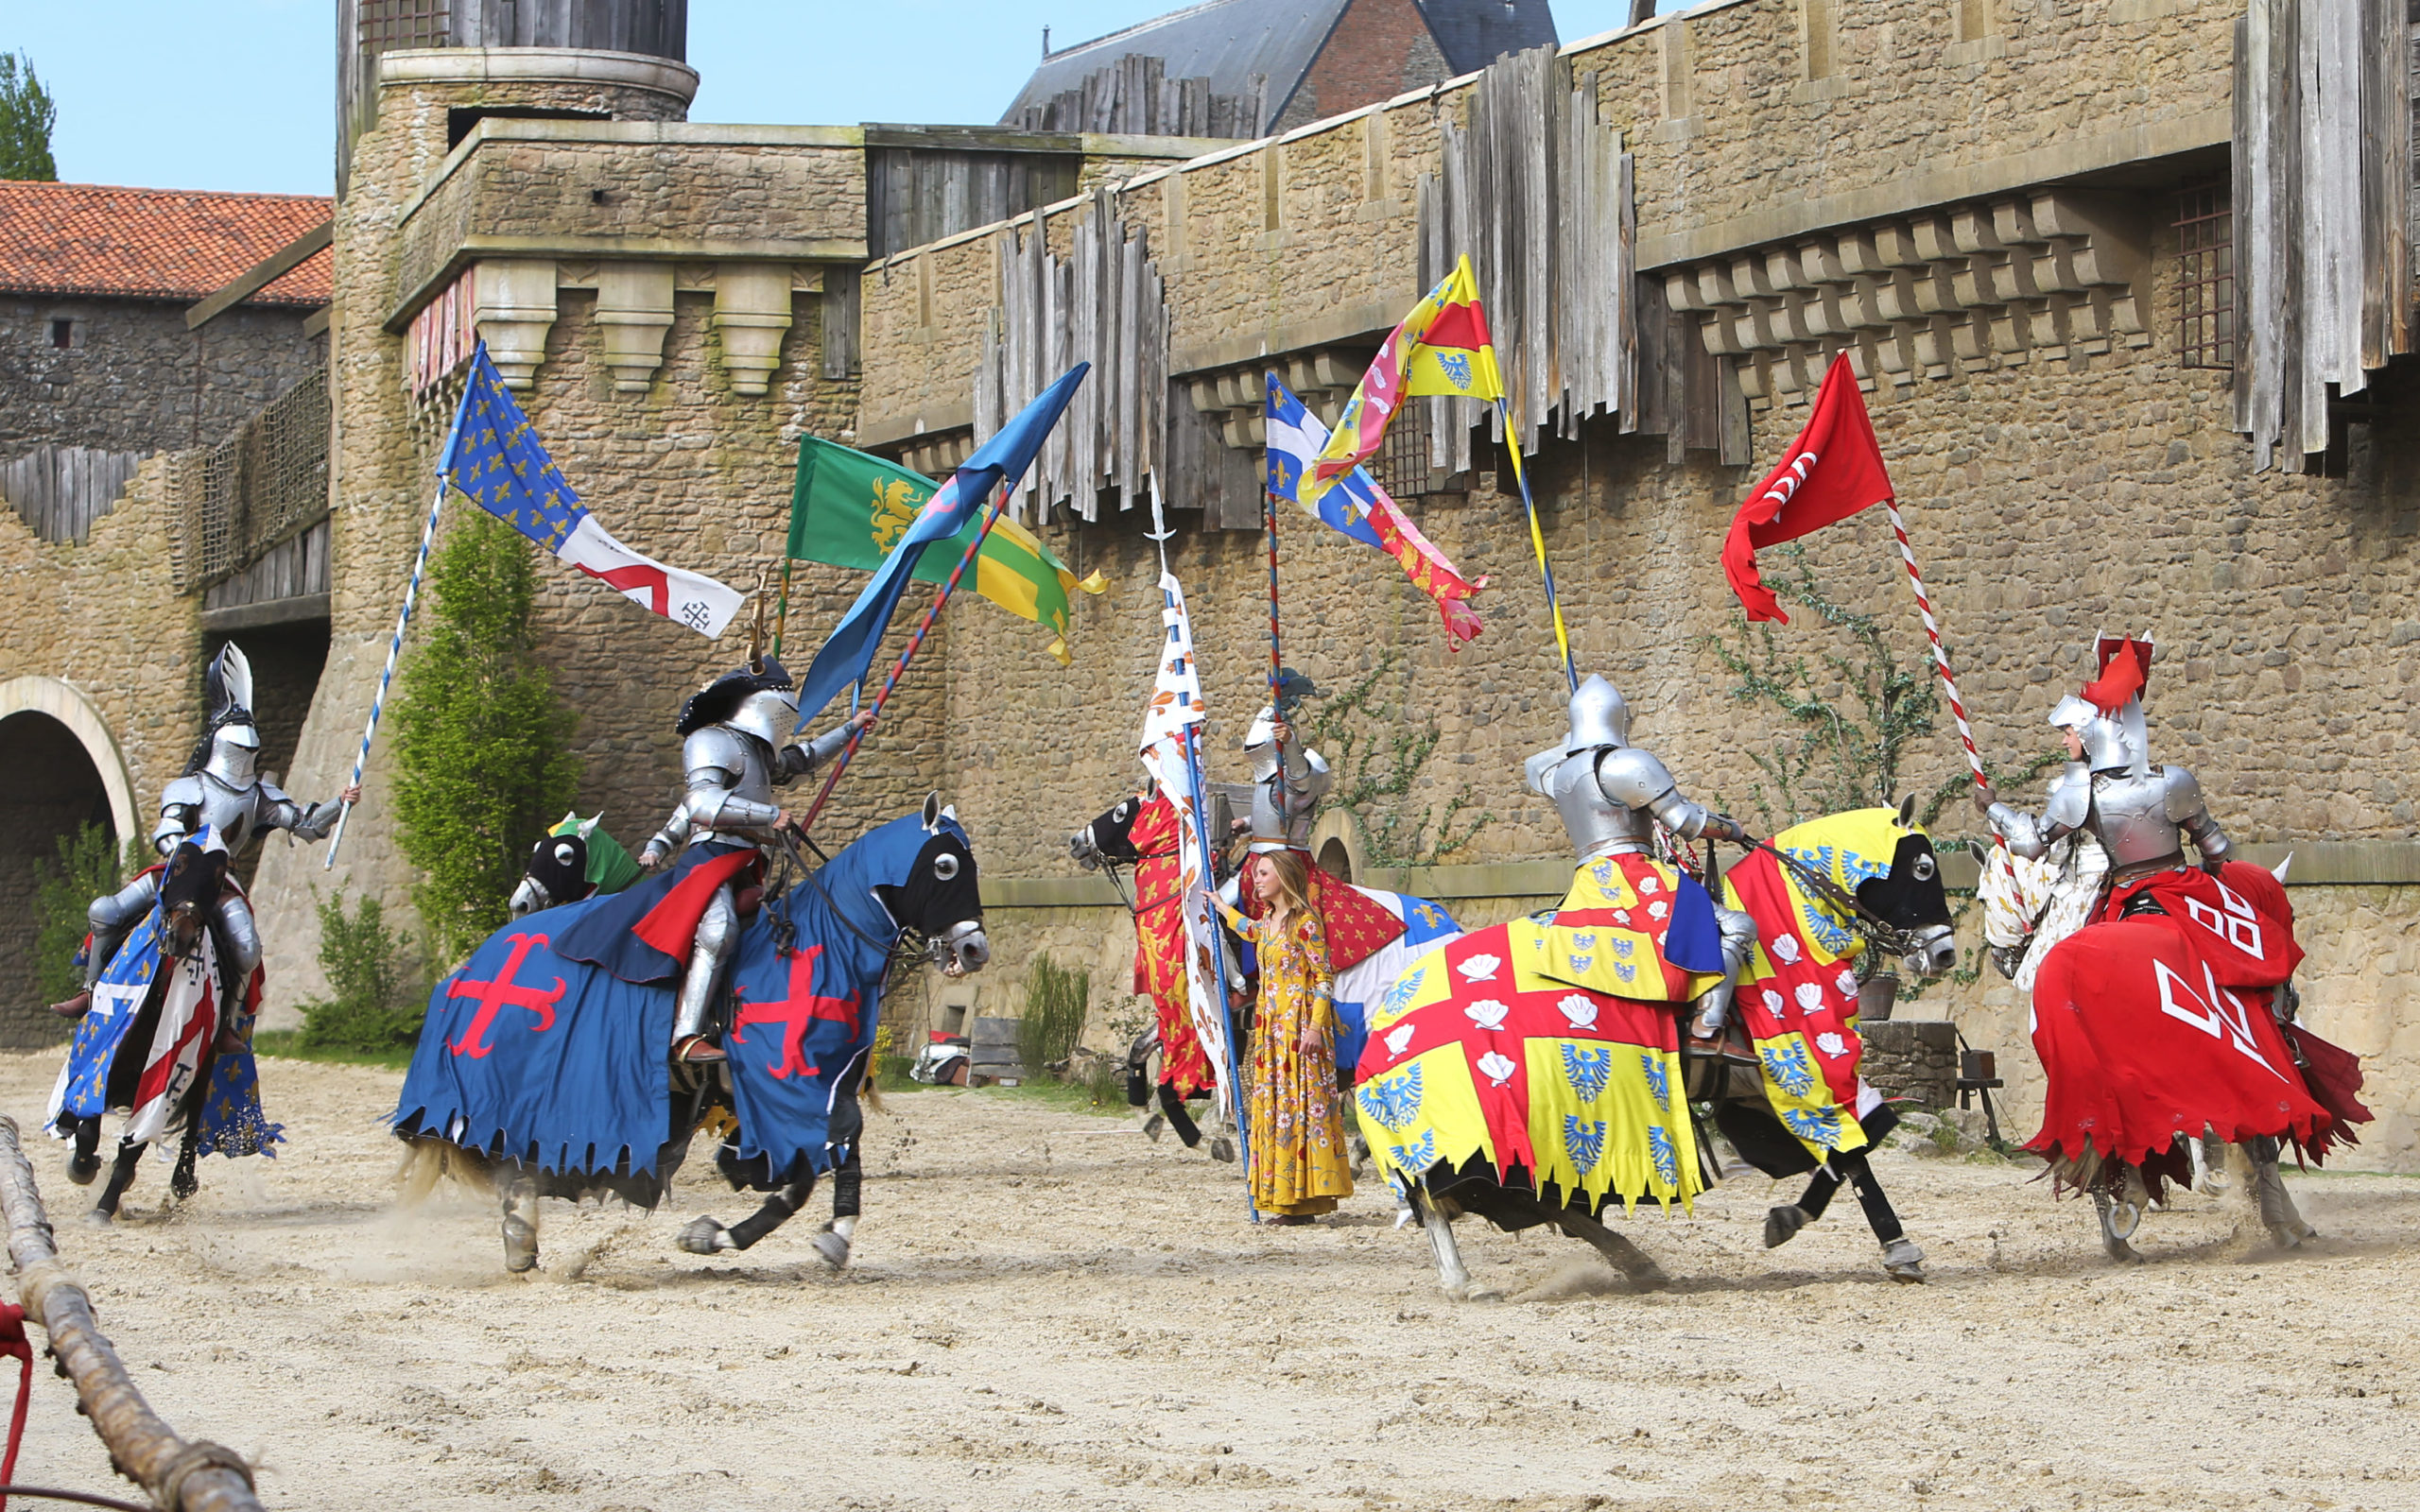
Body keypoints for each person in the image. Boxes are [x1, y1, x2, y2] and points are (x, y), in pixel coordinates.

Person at [558, 657, 871, 1063]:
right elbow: (701, 804)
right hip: (713, 857)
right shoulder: (710, 740)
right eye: (780, 708)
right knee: (719, 927)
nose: (785, 719)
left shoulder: (756, 750)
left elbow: (801, 759)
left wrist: (850, 728)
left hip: (750, 861)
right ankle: (685, 1036)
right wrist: (768, 815)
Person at [51, 643, 357, 1023]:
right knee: (105, 910)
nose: (243, 754)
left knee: (247, 950)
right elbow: (167, 833)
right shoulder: (190, 787)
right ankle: (91, 989)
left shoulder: (259, 796)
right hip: (177, 872)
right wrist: (187, 852)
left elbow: (304, 823)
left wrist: (339, 802)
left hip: (222, 881)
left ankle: (228, 1022)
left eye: (250, 748)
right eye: (237, 745)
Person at [1523, 674, 1756, 1037]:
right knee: (1739, 925)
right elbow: (1684, 821)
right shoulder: (1626, 763)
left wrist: (1569, 744)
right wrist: (1732, 829)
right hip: (1632, 874)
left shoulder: (1559, 776)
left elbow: (1534, 768)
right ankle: (1706, 1025)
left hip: (1588, 878)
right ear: (1620, 718)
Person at [1215, 848, 1353, 1223]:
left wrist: (1314, 1028)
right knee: (1278, 1111)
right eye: (1256, 873)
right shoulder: (1269, 920)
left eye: (1263, 873)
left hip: (1300, 1031)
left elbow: (1325, 977)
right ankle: (1285, 1196)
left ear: (1284, 877)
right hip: (1272, 1034)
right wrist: (1218, 905)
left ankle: (1305, 1200)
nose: (1256, 880)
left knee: (1300, 1110)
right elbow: (1248, 930)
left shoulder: (1305, 922)